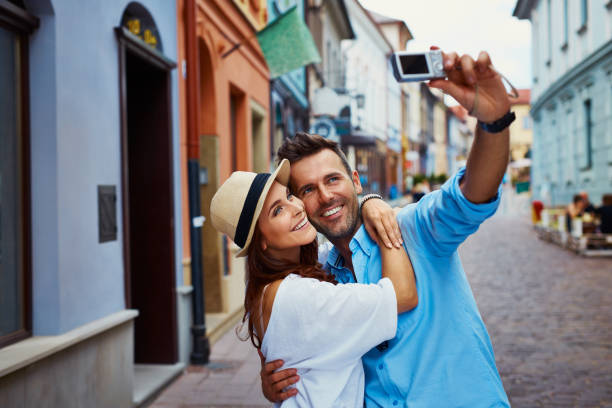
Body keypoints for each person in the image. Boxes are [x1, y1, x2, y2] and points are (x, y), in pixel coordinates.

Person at [261, 48, 512, 407]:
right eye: (308, 189)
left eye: (333, 179)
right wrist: (274, 379)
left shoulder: (414, 230)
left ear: (356, 181)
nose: (326, 196)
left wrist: (494, 123)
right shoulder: (319, 279)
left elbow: (472, 195)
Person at [209, 159, 418, 407]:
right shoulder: (298, 297)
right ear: (260, 241)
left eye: (289, 195)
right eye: (277, 210)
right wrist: (385, 217)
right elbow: (402, 295)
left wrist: (368, 201)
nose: (296, 208)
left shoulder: (264, 287)